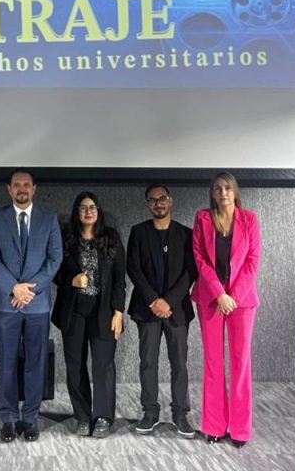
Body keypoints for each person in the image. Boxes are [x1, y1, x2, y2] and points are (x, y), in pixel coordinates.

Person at [0, 169, 62, 443]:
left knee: (35, 364)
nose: (22, 189)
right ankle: (7, 418)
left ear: (34, 188)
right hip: (5, 305)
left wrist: (29, 290)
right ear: (9, 189)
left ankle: (30, 418)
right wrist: (13, 287)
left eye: (26, 184)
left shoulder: (49, 219)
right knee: (6, 363)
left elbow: (54, 259)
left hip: (37, 305)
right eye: (16, 185)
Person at [192, 172, 262, 447]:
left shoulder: (250, 220)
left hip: (241, 301)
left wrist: (232, 296)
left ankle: (240, 429)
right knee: (213, 362)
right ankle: (214, 426)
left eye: (227, 188)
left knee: (241, 362)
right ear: (212, 193)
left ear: (235, 192)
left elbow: (253, 262)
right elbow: (200, 259)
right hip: (211, 298)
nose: (223, 193)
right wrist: (219, 294)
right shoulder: (202, 218)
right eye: (218, 189)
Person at [51, 191, 126, 438]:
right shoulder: (65, 238)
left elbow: (119, 280)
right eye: (83, 207)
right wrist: (71, 281)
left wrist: (118, 312)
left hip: (103, 312)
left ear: (99, 211)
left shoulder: (111, 238)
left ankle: (103, 416)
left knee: (104, 365)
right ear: (76, 212)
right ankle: (82, 415)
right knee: (75, 365)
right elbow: (54, 271)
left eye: (92, 207)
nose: (88, 211)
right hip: (73, 312)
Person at [126, 183, 198, 437]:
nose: (158, 203)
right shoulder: (138, 232)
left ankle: (180, 414)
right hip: (147, 309)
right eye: (152, 200)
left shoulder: (186, 234)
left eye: (162, 198)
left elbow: (191, 271)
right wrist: (155, 301)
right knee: (148, 362)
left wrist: (168, 301)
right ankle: (150, 412)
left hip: (177, 310)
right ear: (148, 204)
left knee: (179, 362)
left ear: (171, 201)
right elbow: (133, 269)